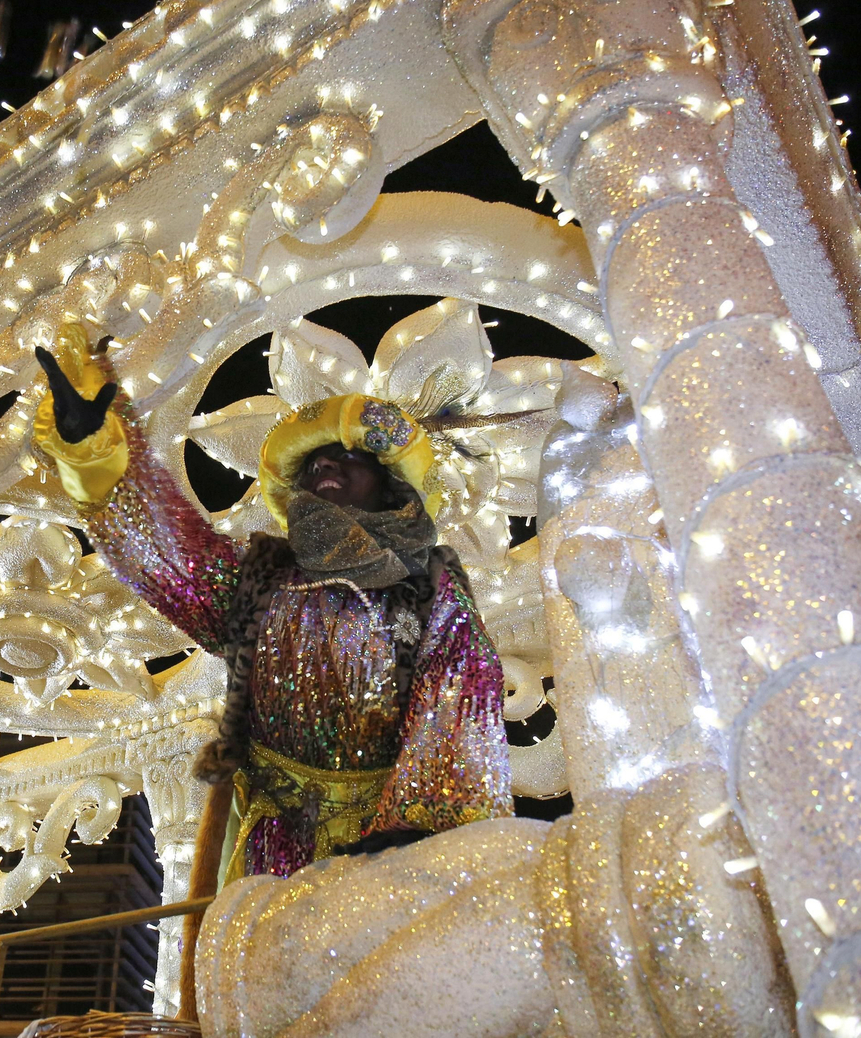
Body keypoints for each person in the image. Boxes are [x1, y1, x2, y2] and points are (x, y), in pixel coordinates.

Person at [33, 338, 511, 882]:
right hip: (272, 848)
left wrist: (408, 847)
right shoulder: (261, 578)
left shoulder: (430, 582)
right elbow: (168, 556)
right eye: (309, 463)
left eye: (347, 454)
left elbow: (460, 699)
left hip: (386, 852)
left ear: (389, 480)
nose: (323, 464)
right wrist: (94, 454)